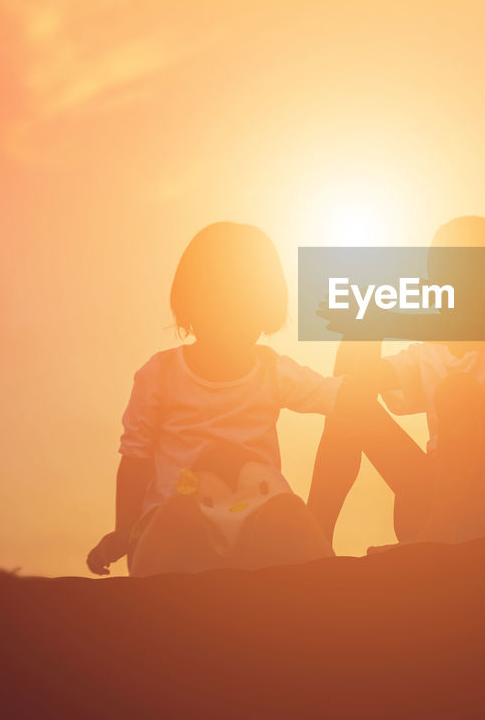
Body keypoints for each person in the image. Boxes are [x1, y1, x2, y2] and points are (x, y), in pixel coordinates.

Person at [86, 222, 340, 576]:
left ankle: (331, 588)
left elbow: (338, 397)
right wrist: (124, 531)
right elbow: (136, 458)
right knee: (175, 515)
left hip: (256, 520)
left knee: (289, 510)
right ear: (192, 304)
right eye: (219, 302)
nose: (230, 318)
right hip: (182, 518)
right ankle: (148, 596)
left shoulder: (274, 371)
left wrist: (374, 360)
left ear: (265, 310)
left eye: (245, 304)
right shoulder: (160, 374)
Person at [307, 216, 485, 548]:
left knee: (457, 391)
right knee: (347, 399)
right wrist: (362, 326)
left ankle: (438, 540)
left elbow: (470, 332)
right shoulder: (425, 357)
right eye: (448, 279)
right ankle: (316, 535)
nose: (459, 287)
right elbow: (358, 382)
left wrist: (387, 320)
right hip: (443, 493)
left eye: (475, 276)